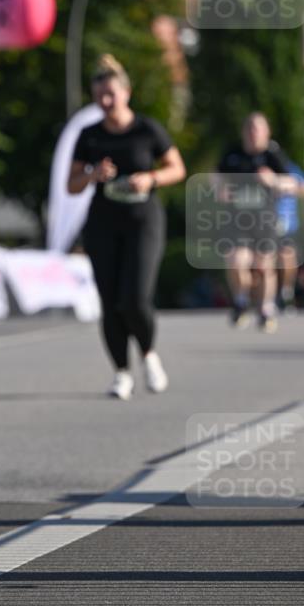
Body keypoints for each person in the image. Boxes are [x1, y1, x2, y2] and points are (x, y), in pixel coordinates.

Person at [67, 54, 186, 400]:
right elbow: (70, 184)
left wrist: (150, 178)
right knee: (109, 301)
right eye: (99, 96)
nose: (105, 102)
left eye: (111, 95)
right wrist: (91, 175)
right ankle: (121, 372)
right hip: (103, 222)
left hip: (143, 220)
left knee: (133, 298)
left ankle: (148, 355)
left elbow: (177, 168)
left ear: (126, 93)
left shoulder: (146, 129)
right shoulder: (89, 135)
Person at [216, 113, 298, 333]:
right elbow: (217, 177)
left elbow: (293, 184)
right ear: (244, 132)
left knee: (263, 265)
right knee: (236, 262)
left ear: (266, 132)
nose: (253, 133)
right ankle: (241, 300)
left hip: (264, 218)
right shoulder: (233, 153)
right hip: (237, 218)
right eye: (250, 129)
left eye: (258, 129)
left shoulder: (273, 155)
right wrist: (220, 189)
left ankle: (265, 308)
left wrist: (274, 180)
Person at [273, 149, 304, 313]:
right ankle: (266, 297)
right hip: (260, 221)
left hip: (286, 221)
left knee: (287, 256)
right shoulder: (260, 168)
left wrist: (291, 189)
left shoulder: (289, 168)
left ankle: (286, 292)